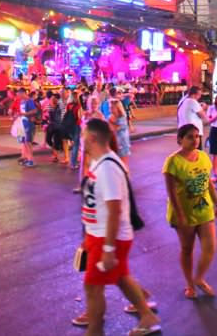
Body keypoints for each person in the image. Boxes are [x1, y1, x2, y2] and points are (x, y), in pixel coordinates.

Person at [74, 119, 160, 336]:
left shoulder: (108, 168)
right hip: (98, 235)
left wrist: (109, 249)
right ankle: (147, 316)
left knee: (93, 287)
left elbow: (114, 210)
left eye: (84, 134)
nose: (81, 138)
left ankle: (94, 331)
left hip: (109, 237)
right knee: (120, 277)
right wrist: (87, 235)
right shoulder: (98, 162)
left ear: (92, 138)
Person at [163, 123, 217, 299]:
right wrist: (180, 214)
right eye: (190, 136)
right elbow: (171, 192)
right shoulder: (173, 162)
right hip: (183, 213)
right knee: (187, 249)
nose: (195, 140)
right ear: (180, 140)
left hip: (204, 210)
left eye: (197, 136)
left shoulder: (204, 157)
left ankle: (199, 278)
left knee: (210, 247)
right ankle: (190, 284)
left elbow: (208, 182)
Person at [110, 87, 132, 163]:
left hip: (121, 142)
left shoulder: (118, 104)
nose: (111, 109)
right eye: (118, 93)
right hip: (117, 143)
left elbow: (130, 95)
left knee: (123, 162)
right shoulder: (113, 104)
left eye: (112, 108)